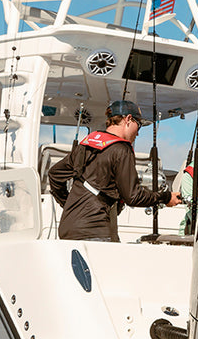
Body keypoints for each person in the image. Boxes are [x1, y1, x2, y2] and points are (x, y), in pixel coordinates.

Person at [48, 99, 181, 241]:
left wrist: (68, 204)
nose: (138, 133)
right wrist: (165, 197)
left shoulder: (87, 144)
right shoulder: (122, 150)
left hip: (68, 226)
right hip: (94, 230)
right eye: (139, 125)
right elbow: (133, 196)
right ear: (128, 119)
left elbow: (54, 174)